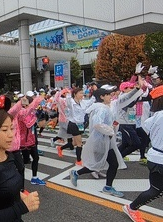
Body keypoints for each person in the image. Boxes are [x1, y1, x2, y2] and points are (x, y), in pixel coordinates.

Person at [69, 88, 127, 197]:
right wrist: (110, 130)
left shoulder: (101, 107)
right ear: (101, 97)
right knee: (102, 164)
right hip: (101, 141)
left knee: (102, 164)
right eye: (108, 95)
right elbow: (97, 124)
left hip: (103, 140)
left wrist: (112, 127)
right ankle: (107, 187)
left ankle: (77, 174)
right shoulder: (102, 109)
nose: (111, 96)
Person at [123, 85, 163, 222]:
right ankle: (132, 207)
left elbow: (146, 127)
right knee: (156, 190)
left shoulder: (154, 117)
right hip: (159, 160)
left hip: (155, 156)